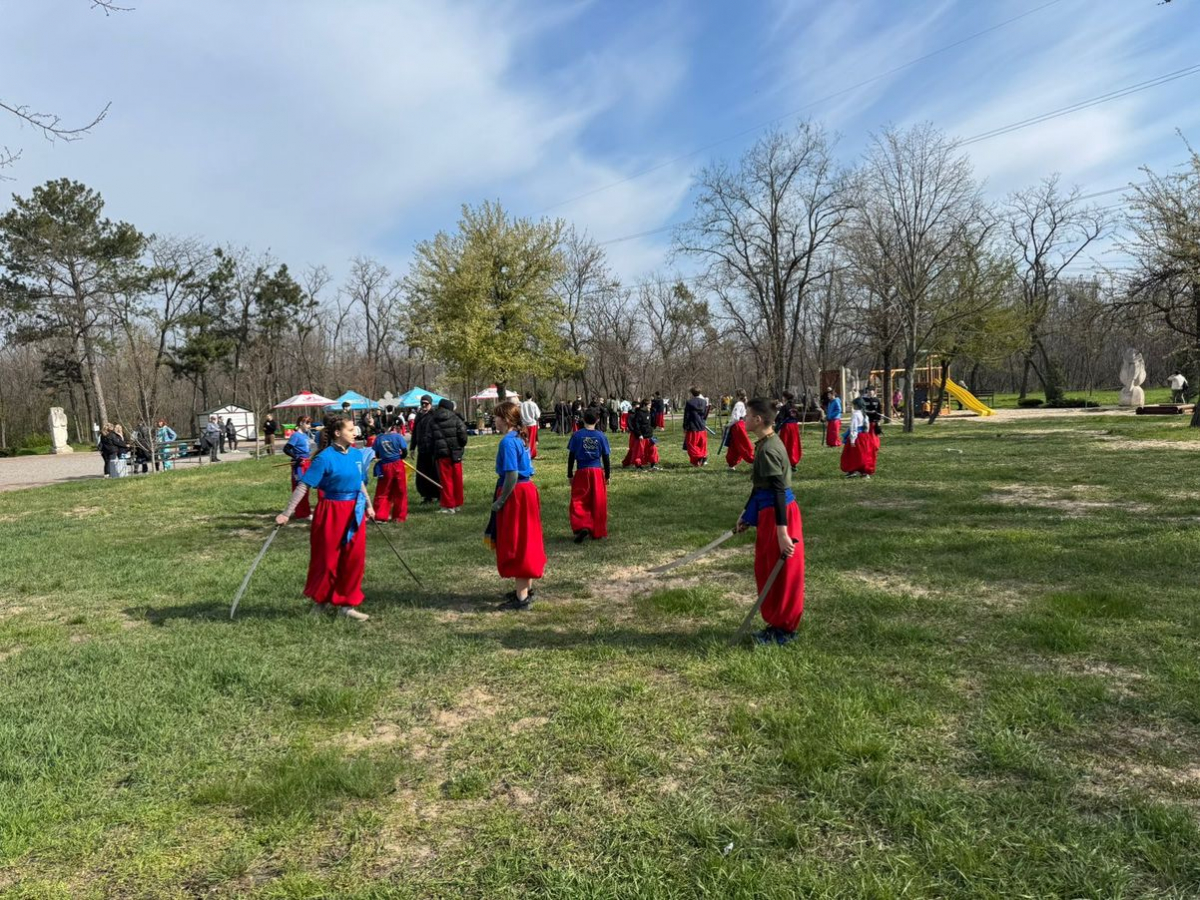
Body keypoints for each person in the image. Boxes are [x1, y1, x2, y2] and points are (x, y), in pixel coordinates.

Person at [276, 414, 375, 622]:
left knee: (353, 559)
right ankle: (320, 602)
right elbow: (304, 485)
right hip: (331, 511)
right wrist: (286, 513)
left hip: (354, 511)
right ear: (338, 433)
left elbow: (359, 483)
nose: (354, 432)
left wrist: (369, 505)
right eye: (350, 429)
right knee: (328, 560)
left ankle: (347, 605)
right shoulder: (324, 457)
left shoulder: (357, 455)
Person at [733, 398, 804, 645]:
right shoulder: (764, 444)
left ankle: (784, 631)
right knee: (765, 568)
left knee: (782, 573)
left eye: (747, 416)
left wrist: (783, 534)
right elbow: (760, 487)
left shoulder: (770, 448)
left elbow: (777, 491)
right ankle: (775, 625)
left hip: (779, 515)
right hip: (768, 513)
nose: (744, 420)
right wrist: (747, 515)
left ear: (758, 420)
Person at [484, 400, 546, 610]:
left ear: (506, 419)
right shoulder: (519, 437)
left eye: (497, 416)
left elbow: (512, 474)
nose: (495, 420)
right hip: (525, 491)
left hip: (516, 494)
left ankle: (521, 599)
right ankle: (525, 588)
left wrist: (501, 501)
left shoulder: (508, 441)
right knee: (526, 538)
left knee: (518, 541)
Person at [567, 409, 611, 542]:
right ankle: (597, 530)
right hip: (597, 470)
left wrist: (569, 474)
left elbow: (571, 456)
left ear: (583, 419)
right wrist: (607, 475)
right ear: (597, 420)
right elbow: (606, 457)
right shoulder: (601, 436)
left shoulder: (577, 435)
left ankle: (582, 525)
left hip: (581, 470)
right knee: (598, 500)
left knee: (579, 499)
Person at [430, 398, 468, 514]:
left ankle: (448, 505)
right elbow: (463, 436)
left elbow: (429, 437)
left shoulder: (433, 419)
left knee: (446, 481)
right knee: (457, 479)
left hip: (441, 454)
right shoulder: (456, 419)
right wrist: (460, 446)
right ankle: (457, 504)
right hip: (455, 453)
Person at [373, 425, 409, 522]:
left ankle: (380, 516)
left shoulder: (378, 439)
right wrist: (399, 457)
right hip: (398, 465)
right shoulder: (397, 436)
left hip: (385, 465)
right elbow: (405, 452)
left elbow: (377, 454)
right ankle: (399, 517)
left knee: (383, 491)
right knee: (400, 491)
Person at [283, 416, 315, 519]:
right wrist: (296, 457)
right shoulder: (295, 435)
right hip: (299, 465)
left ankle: (305, 511)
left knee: (306, 487)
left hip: (307, 463)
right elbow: (286, 449)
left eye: (310, 423)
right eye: (307, 423)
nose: (309, 426)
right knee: (300, 487)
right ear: (301, 423)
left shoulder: (305, 436)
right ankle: (302, 513)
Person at [411, 395, 440, 506]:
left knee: (434, 473)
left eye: (426, 403)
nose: (424, 405)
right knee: (422, 474)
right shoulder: (418, 416)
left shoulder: (434, 415)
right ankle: (426, 496)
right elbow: (414, 433)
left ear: (430, 404)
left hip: (432, 449)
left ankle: (437, 494)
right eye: (422, 403)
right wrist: (412, 448)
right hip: (422, 449)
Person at [623, 399, 659, 470]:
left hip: (649, 436)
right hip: (641, 437)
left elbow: (652, 423)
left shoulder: (650, 412)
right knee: (639, 452)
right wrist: (639, 434)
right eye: (649, 405)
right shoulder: (639, 413)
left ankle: (653, 465)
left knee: (653, 450)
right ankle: (638, 466)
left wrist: (651, 430)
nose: (650, 407)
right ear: (644, 405)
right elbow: (636, 425)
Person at [840, 398, 871, 478]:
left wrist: (852, 439)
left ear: (856, 405)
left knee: (851, 454)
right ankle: (863, 471)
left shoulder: (855, 414)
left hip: (856, 437)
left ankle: (852, 470)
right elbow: (867, 427)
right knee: (862, 454)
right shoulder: (865, 414)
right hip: (864, 436)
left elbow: (854, 427)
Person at [725, 390, 755, 469]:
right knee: (734, 445)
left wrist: (728, 425)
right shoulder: (742, 404)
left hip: (737, 426)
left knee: (744, 444)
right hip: (740, 424)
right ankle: (731, 462)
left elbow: (735, 418)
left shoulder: (738, 404)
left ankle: (753, 460)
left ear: (737, 395)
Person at [682, 387, 710, 467]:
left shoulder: (689, 402)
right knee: (701, 444)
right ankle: (701, 458)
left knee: (691, 445)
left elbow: (686, 416)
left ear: (692, 393)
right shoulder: (704, 402)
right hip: (701, 426)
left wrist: (685, 427)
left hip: (692, 426)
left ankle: (698, 457)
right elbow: (705, 414)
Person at [776, 391, 802, 471]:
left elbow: (779, 418)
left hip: (787, 427)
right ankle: (793, 462)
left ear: (785, 398)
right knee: (794, 444)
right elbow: (798, 417)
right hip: (794, 427)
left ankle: (784, 463)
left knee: (785, 444)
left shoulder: (784, 407)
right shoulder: (795, 406)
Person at [520, 392, 541, 460]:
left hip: (524, 424)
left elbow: (520, 414)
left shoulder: (522, 404)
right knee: (532, 439)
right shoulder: (533, 404)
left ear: (526, 396)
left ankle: (525, 453)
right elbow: (537, 415)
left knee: (525, 439)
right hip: (532, 424)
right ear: (532, 396)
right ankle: (531, 454)